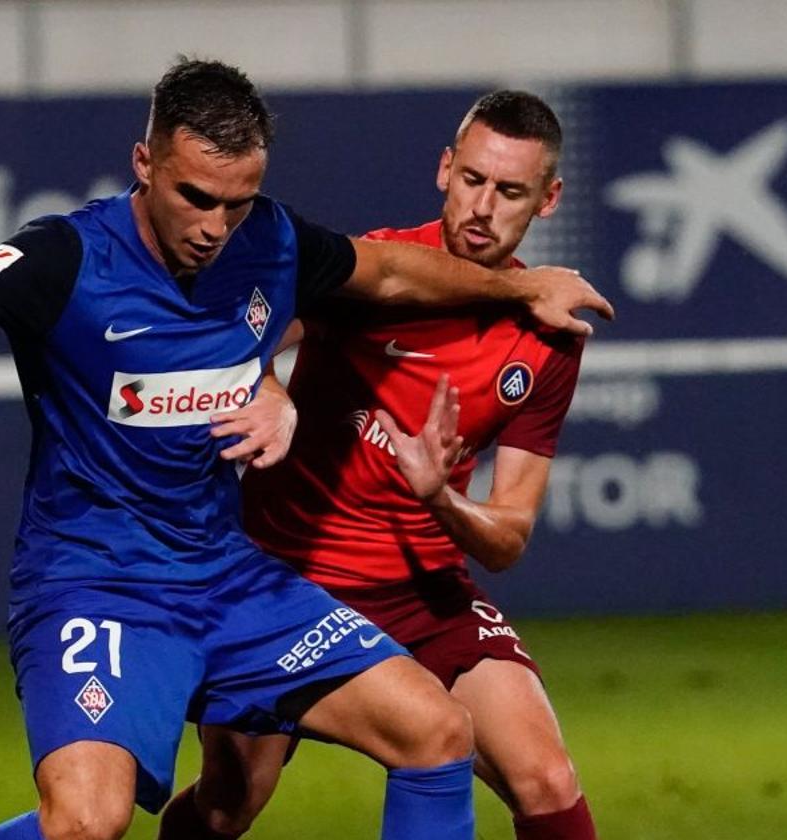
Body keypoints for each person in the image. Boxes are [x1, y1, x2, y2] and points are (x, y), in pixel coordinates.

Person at [0, 63, 610, 840]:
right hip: (99, 580)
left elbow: (386, 275)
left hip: (230, 577)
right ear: (145, 165)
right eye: (197, 198)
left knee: (435, 732)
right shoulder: (68, 257)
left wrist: (521, 286)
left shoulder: (266, 239)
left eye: (238, 201)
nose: (217, 226)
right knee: (89, 822)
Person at [161, 91, 600, 840]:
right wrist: (270, 389)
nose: (483, 207)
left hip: (423, 589)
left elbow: (509, 536)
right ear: (444, 170)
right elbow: (242, 335)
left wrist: (442, 501)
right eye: (472, 180)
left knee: (548, 780)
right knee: (230, 801)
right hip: (291, 578)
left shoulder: (548, 337)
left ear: (550, 199)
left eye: (511, 191)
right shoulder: (375, 271)